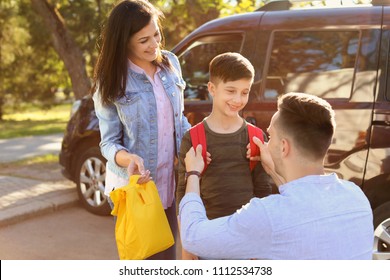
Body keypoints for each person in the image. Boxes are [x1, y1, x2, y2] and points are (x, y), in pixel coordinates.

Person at [179, 92, 374, 260]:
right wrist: (272, 170)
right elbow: (301, 204)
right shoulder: (356, 197)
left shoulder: (267, 216)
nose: (266, 142)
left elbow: (192, 236)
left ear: (283, 146)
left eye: (270, 137)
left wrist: (194, 173)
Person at [91, 0, 190, 260]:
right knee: (143, 262)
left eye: (156, 34)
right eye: (143, 40)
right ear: (124, 41)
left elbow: (179, 121)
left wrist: (199, 143)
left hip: (170, 185)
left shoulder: (170, 63)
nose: (154, 44)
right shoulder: (111, 78)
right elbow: (108, 143)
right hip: (136, 188)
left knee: (167, 258)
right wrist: (129, 158)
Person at [176, 52, 272, 259]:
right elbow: (184, 197)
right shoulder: (193, 138)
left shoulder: (255, 137)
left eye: (244, 92)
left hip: (246, 244)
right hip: (207, 241)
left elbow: (263, 193)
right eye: (231, 91)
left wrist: (259, 249)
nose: (238, 99)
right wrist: (187, 252)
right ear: (212, 89)